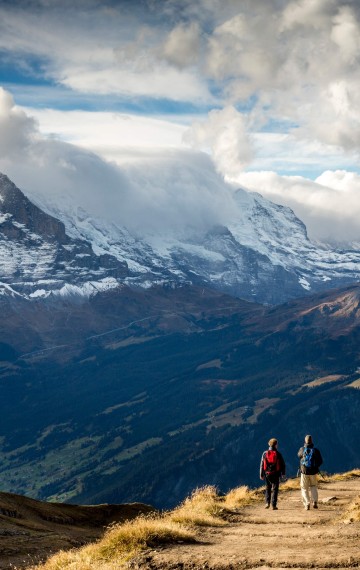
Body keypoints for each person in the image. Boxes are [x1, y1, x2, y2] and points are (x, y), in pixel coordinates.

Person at [297, 434, 323, 510]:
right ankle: (315, 501)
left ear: (305, 441)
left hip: (304, 471)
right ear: (312, 441)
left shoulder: (302, 449)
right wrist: (315, 466)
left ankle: (307, 503)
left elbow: (298, 455)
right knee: (313, 486)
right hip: (313, 472)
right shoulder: (316, 450)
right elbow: (320, 461)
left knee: (304, 488)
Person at [260, 438, 286, 510]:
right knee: (275, 489)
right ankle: (273, 505)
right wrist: (283, 473)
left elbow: (262, 465)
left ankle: (267, 503)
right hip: (276, 474)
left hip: (267, 474)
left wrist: (261, 474)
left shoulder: (265, 453)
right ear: (276, 445)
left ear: (269, 444)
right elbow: (283, 464)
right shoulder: (278, 454)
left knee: (268, 488)